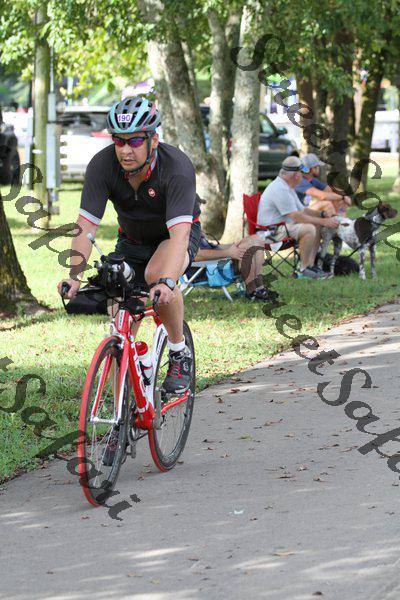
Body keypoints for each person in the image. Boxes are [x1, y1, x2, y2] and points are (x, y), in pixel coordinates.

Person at [57, 96, 201, 395]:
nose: (125, 150)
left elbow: (179, 237)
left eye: (135, 141)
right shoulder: (102, 165)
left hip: (173, 237)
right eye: (119, 141)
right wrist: (74, 275)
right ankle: (123, 410)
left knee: (157, 278)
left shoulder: (176, 168)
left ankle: (179, 352)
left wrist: (167, 281)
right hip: (131, 240)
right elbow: (85, 226)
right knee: (119, 323)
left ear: (153, 140)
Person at [257, 156, 339, 279]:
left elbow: (303, 210)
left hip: (280, 227)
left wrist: (321, 215)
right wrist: (324, 221)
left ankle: (310, 265)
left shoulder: (287, 187)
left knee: (315, 224)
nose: (303, 175)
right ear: (296, 175)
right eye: (302, 173)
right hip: (271, 233)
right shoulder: (280, 189)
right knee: (309, 229)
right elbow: (296, 216)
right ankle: (303, 270)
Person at [193, 232, 272, 301]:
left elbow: (212, 248)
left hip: (216, 259)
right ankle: (252, 290)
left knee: (256, 239)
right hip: (207, 270)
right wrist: (228, 252)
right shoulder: (188, 229)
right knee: (246, 247)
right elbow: (197, 256)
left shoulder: (194, 225)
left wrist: (235, 245)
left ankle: (260, 287)